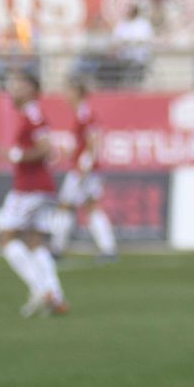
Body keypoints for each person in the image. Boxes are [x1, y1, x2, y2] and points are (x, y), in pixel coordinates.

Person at [0, 71, 69, 317]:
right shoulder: (31, 114)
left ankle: (40, 289)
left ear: (31, 88)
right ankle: (55, 295)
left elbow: (46, 147)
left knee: (7, 240)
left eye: (18, 85)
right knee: (35, 242)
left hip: (29, 188)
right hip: (42, 188)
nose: (13, 90)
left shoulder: (33, 113)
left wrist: (15, 155)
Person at [50, 77, 118, 261]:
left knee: (65, 205)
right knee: (91, 207)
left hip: (82, 170)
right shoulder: (82, 113)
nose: (65, 96)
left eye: (69, 91)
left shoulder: (85, 114)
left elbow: (94, 141)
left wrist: (84, 166)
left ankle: (57, 247)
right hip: (86, 169)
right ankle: (108, 248)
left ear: (77, 93)